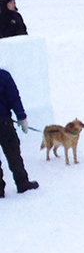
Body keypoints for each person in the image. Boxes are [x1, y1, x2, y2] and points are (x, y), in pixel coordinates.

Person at [0, 63, 38, 195]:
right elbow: (14, 98)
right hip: (4, 124)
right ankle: (22, 183)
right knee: (13, 154)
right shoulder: (3, 76)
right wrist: (21, 118)